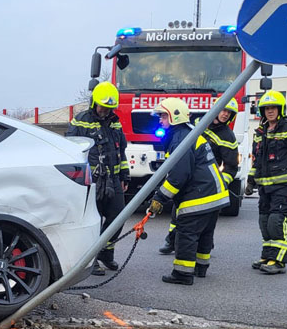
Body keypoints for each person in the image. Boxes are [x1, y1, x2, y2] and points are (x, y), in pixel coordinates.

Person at [147, 98, 229, 285]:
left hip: (199, 195)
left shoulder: (180, 139)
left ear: (175, 116)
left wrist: (160, 198)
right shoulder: (190, 133)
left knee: (186, 232)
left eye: (163, 116)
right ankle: (201, 267)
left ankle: (182, 273)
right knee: (205, 233)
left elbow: (179, 175)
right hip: (214, 195)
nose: (160, 120)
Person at [159, 97, 240, 254]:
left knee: (201, 219)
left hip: (205, 181)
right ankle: (172, 240)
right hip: (191, 179)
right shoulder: (198, 123)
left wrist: (221, 181)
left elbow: (231, 166)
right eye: (223, 110)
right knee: (178, 212)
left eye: (229, 113)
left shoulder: (227, 136)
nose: (225, 115)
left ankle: (201, 247)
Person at [67, 81, 130, 275]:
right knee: (93, 222)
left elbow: (121, 151)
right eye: (103, 106)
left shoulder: (115, 122)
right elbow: (71, 151)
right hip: (91, 182)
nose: (105, 110)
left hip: (113, 179)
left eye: (110, 107)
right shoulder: (80, 121)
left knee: (117, 217)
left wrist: (124, 175)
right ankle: (91, 259)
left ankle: (106, 254)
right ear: (94, 102)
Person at [246, 90, 287, 275]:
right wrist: (251, 180)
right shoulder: (261, 132)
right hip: (265, 186)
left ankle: (279, 260)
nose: (270, 111)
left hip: (284, 184)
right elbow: (257, 160)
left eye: (273, 107)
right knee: (264, 220)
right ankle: (268, 256)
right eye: (266, 108)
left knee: (276, 220)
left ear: (281, 109)